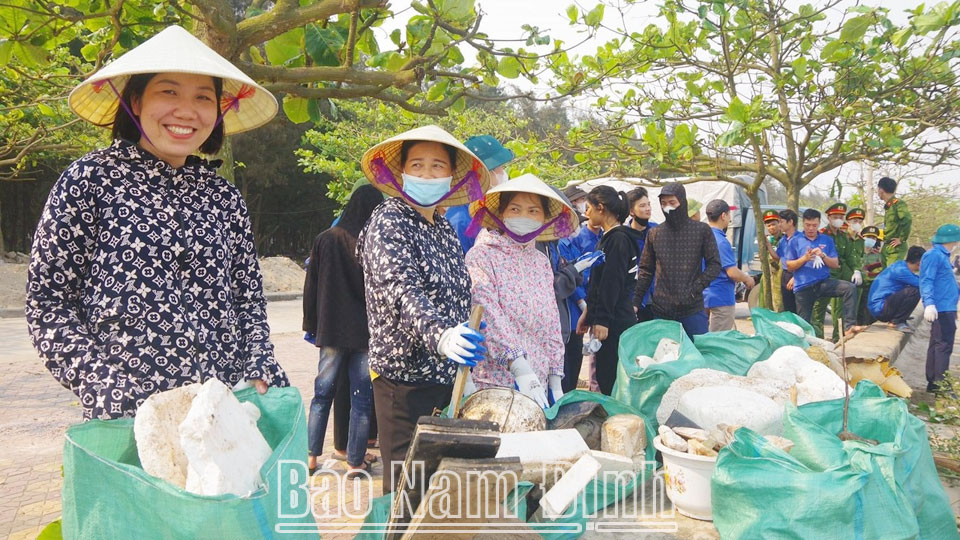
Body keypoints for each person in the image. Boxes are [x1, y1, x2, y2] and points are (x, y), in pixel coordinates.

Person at [25, 26, 289, 421]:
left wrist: (259, 359)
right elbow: (48, 303)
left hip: (223, 411)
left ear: (217, 110)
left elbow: (247, 298)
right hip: (130, 416)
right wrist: (100, 383)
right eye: (169, 92)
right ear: (135, 100)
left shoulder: (223, 197)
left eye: (203, 97)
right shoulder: (90, 179)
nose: (186, 110)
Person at [357, 125, 490, 494]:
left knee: (439, 492)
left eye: (437, 166)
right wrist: (441, 336)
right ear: (401, 173)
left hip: (444, 380)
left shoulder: (444, 228)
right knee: (405, 490)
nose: (428, 174)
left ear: (451, 176)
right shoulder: (389, 220)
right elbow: (400, 289)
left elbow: (459, 295)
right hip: (403, 382)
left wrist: (464, 350)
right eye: (417, 165)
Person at [464, 174, 580, 407]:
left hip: (538, 381)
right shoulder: (481, 255)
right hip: (495, 381)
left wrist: (555, 377)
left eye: (533, 211)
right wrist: (518, 365)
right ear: (501, 214)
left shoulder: (540, 261)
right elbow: (487, 312)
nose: (524, 217)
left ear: (545, 218)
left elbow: (550, 319)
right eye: (515, 210)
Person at [302, 184, 383, 476]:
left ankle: (311, 458)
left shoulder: (326, 239)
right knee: (361, 399)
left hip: (331, 331)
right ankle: (354, 463)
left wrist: (310, 325)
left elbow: (311, 287)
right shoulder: (374, 243)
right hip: (364, 334)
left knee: (321, 395)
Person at [576, 186, 644, 395]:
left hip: (616, 320)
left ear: (601, 208)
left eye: (589, 208)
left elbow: (611, 284)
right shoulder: (610, 237)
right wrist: (588, 314)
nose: (586, 213)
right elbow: (598, 283)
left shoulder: (618, 240)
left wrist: (602, 320)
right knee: (604, 374)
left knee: (610, 377)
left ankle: (616, 421)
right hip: (609, 317)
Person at [634, 182, 722, 339]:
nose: (668, 207)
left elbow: (714, 264)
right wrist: (636, 301)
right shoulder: (655, 234)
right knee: (664, 357)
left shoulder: (701, 230)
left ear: (682, 202)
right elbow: (646, 270)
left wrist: (696, 288)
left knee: (699, 354)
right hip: (662, 310)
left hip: (692, 309)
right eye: (664, 203)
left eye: (672, 202)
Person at [784, 209, 867, 340]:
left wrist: (822, 255)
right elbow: (789, 265)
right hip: (803, 286)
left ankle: (848, 327)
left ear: (818, 224)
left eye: (814, 225)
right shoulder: (795, 241)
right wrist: (804, 258)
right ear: (803, 224)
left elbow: (835, 263)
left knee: (849, 288)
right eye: (807, 225)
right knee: (804, 324)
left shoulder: (826, 240)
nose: (811, 228)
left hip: (823, 282)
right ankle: (805, 348)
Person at [444, 135, 514, 253]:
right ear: (483, 173)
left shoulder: (491, 209)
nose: (503, 173)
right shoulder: (460, 220)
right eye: (499, 168)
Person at [703, 200, 755, 331]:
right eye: (729, 214)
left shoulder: (702, 237)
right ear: (723, 216)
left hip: (703, 296)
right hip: (720, 297)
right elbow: (731, 272)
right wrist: (747, 278)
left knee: (703, 338)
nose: (730, 218)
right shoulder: (720, 241)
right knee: (719, 341)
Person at [920, 224, 960, 393]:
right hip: (941, 306)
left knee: (938, 343)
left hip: (947, 306)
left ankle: (935, 381)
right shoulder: (934, 255)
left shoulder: (944, 256)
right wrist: (929, 303)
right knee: (943, 344)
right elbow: (926, 280)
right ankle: (940, 383)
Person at [812, 203, 858, 340]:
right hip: (824, 275)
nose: (838, 219)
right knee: (819, 308)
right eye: (835, 217)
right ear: (828, 217)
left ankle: (840, 336)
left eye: (840, 217)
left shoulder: (843, 236)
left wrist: (856, 270)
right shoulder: (821, 235)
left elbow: (849, 255)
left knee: (841, 308)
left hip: (840, 274)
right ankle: (817, 338)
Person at [867, 245, 924, 333]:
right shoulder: (901, 270)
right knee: (914, 291)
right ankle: (896, 322)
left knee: (911, 289)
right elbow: (923, 284)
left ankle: (900, 317)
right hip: (880, 309)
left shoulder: (901, 265)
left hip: (882, 306)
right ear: (920, 263)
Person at [627, 187, 659, 320]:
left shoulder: (657, 230)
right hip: (634, 299)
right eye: (642, 205)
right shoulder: (625, 236)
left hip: (658, 297)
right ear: (631, 211)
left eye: (649, 204)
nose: (648, 208)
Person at [878, 176, 912, 267]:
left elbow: (907, 219)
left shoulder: (898, 203)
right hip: (887, 246)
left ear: (881, 190)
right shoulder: (889, 206)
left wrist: (902, 238)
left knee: (891, 275)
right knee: (885, 275)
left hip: (896, 248)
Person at [857, 225, 885, 324]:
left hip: (871, 288)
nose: (870, 240)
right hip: (857, 286)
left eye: (873, 238)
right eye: (868, 237)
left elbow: (879, 272)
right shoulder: (856, 252)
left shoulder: (878, 256)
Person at [757, 209, 784, 312]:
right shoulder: (765, 239)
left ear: (779, 223)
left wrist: (768, 245)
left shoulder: (784, 239)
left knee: (778, 307)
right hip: (766, 276)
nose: (771, 227)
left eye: (773, 224)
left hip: (779, 277)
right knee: (764, 306)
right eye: (768, 226)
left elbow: (778, 258)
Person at [774, 209, 799, 313]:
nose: (779, 225)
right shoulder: (783, 240)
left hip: (797, 275)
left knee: (798, 307)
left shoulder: (800, 239)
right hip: (785, 275)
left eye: (781, 222)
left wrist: (795, 278)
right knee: (788, 307)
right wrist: (767, 245)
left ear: (791, 222)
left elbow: (804, 260)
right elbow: (778, 257)